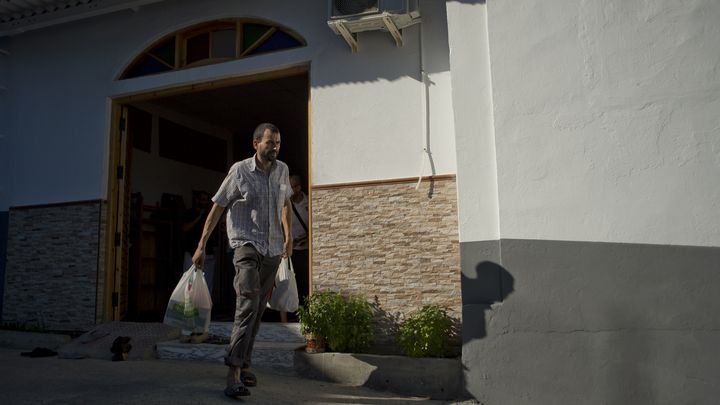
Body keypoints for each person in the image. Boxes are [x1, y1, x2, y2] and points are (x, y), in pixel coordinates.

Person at [192, 122, 293, 399]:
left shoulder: (283, 170)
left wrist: (288, 235)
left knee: (258, 310)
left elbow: (285, 202)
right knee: (247, 304)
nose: (275, 147)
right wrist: (201, 244)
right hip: (245, 245)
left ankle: (245, 363)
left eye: (278, 143)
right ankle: (233, 372)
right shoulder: (240, 171)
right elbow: (218, 205)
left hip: (273, 250)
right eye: (270, 142)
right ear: (256, 143)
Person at [180, 190, 216, 343]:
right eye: (202, 199)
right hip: (191, 254)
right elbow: (184, 229)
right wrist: (198, 218)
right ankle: (189, 322)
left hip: (209, 256)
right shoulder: (189, 213)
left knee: (207, 289)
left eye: (206, 199)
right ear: (196, 200)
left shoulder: (211, 214)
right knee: (189, 289)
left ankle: (204, 323)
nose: (204, 202)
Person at [280, 174, 309, 323]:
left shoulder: (308, 202)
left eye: (293, 186)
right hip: (291, 251)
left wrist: (307, 237)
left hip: (306, 251)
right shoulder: (285, 204)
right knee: (290, 283)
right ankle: (289, 317)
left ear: (299, 187)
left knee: (305, 283)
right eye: (289, 187)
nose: (291, 190)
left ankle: (305, 315)